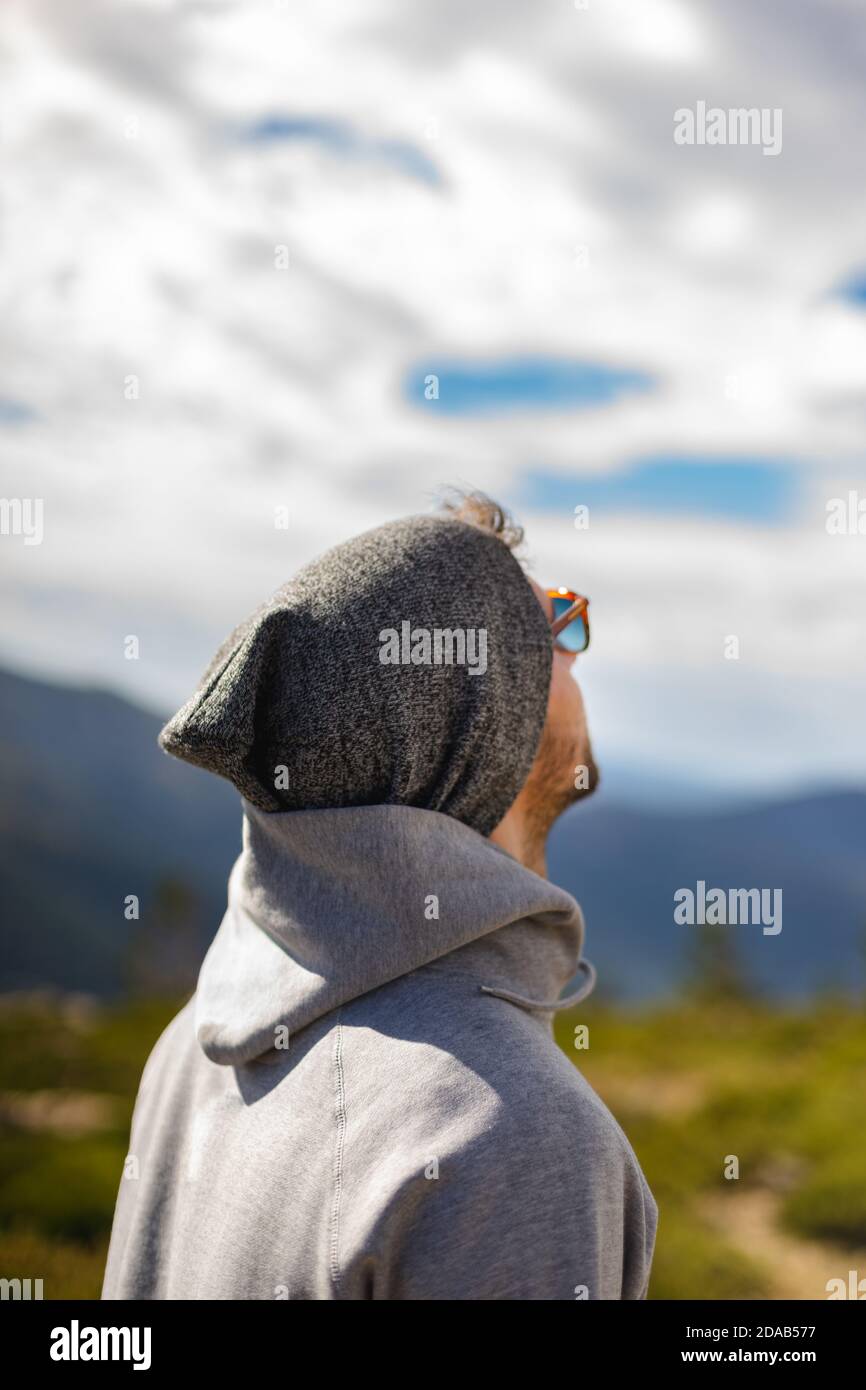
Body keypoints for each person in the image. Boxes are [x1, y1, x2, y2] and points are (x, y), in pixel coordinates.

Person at [102, 489, 658, 1301]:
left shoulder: (193, 1044)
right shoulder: (509, 1133)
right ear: (478, 711)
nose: (575, 652)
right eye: (552, 623)